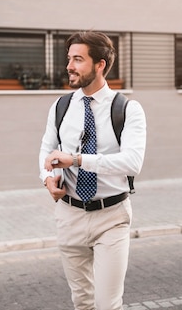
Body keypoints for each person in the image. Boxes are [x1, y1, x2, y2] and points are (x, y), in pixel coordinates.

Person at [39, 30, 147, 310]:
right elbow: (47, 151)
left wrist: (77, 160)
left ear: (100, 64)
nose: (69, 66)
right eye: (69, 59)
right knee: (82, 302)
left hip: (111, 217)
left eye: (78, 59)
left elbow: (132, 163)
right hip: (69, 215)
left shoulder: (128, 109)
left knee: (107, 305)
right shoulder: (61, 106)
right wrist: (48, 179)